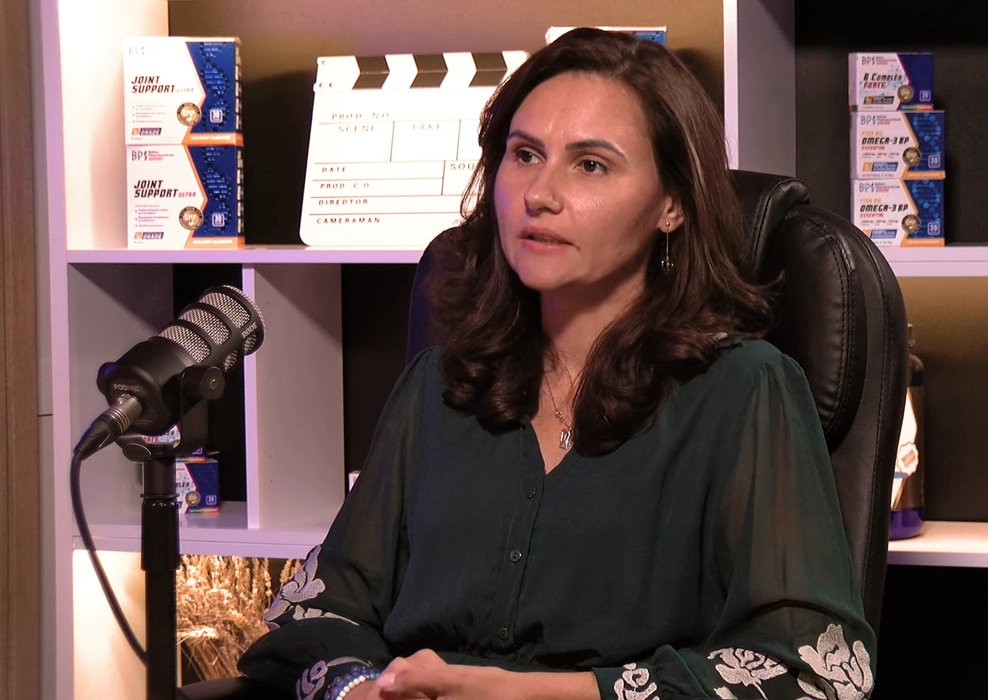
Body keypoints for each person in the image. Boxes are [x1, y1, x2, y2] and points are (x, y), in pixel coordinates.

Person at [237, 27, 876, 700]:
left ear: (672, 204)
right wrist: (358, 688)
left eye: (590, 165)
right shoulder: (440, 385)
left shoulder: (744, 390)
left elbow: (814, 674)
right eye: (525, 155)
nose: (539, 193)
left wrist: (532, 694)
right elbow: (312, 616)